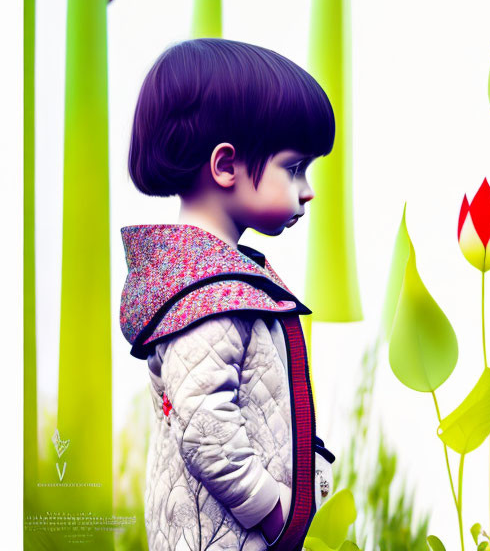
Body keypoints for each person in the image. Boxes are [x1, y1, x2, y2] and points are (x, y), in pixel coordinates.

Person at [119, 38, 336, 551]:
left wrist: (311, 466)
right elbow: (204, 423)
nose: (307, 189)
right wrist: (274, 510)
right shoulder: (204, 297)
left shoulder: (223, 282)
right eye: (294, 168)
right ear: (225, 166)